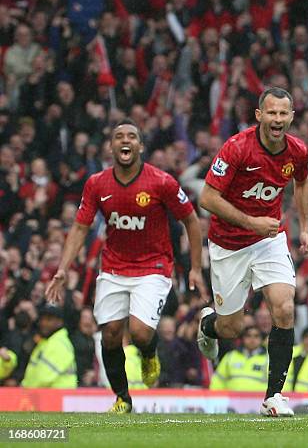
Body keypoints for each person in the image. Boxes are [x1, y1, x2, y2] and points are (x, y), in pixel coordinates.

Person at [45, 119, 205, 413]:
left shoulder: (162, 181)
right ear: (112, 146)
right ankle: (122, 398)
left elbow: (191, 220)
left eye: (131, 136)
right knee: (110, 334)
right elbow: (80, 228)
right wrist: (62, 268)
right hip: (114, 268)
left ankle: (149, 353)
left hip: (153, 267)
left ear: (140, 146)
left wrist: (195, 266)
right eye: (118, 136)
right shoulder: (97, 184)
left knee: (141, 332)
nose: (125, 141)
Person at [198, 87, 308, 417]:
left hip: (269, 239)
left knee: (284, 307)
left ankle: (274, 396)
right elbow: (207, 198)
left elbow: (303, 183)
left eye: (284, 114)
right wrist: (251, 222)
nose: (278, 119)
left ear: (291, 117)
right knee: (231, 329)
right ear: (259, 115)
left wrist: (304, 227)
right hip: (229, 245)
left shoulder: (297, 151)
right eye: (272, 113)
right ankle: (208, 326)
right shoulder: (237, 148)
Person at [21, 304, 77, 388]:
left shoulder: (59, 344)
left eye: (48, 319)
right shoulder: (45, 341)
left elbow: (42, 379)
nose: (43, 323)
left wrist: (23, 391)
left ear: (59, 322)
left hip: (56, 398)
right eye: (42, 319)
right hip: (47, 397)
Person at [209, 325, 268, 391]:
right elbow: (218, 379)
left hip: (259, 399)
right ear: (243, 338)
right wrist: (216, 397)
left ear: (261, 339)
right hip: (232, 399)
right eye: (248, 336)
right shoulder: (230, 356)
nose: (252, 339)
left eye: (256, 336)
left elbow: (279, 382)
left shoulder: (269, 359)